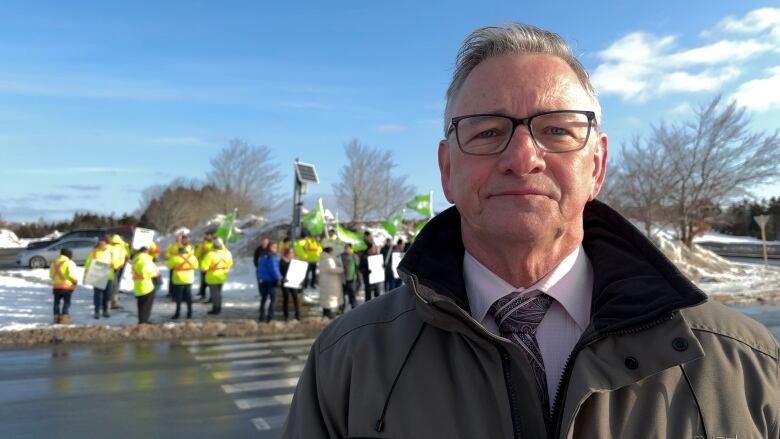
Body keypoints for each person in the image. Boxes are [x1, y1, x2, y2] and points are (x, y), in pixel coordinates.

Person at [283, 23, 779, 439]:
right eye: (487, 131)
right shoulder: (347, 361)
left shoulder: (744, 363)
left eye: (557, 129)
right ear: (446, 170)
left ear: (597, 165)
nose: (522, 158)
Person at [199, 238, 233, 315]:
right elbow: (230, 264)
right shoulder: (227, 253)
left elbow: (204, 267)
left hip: (212, 276)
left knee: (214, 294)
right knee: (218, 293)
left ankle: (216, 309)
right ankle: (218, 308)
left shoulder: (210, 254)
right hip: (222, 276)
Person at [84, 238, 115, 319]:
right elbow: (87, 263)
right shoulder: (94, 252)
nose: (102, 245)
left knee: (107, 295)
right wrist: (86, 273)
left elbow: (115, 262)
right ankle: (97, 312)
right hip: (97, 276)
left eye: (103, 244)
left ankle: (105, 310)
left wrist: (114, 265)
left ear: (106, 244)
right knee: (97, 295)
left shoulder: (110, 252)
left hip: (108, 276)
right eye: (100, 244)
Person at [166, 246, 198, 319]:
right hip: (189, 279)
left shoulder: (175, 258)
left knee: (178, 298)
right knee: (188, 297)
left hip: (178, 280)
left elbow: (169, 266)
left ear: (179, 252)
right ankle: (189, 313)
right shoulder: (192, 258)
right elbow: (196, 266)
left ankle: (177, 313)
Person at [132, 246, 160, 324]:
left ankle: (142, 320)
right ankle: (144, 321)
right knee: (147, 305)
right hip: (147, 286)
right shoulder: (145, 260)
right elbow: (149, 271)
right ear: (146, 252)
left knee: (141, 305)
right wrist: (155, 274)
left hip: (138, 285)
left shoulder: (136, 259)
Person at [49, 248, 78, 324]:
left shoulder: (54, 263)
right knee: (66, 303)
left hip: (56, 287)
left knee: (56, 303)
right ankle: (64, 319)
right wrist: (75, 282)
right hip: (67, 287)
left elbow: (51, 276)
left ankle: (56, 318)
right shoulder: (69, 263)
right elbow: (71, 275)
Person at [257, 242, 282, 323]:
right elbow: (273, 269)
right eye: (274, 247)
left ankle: (261, 316)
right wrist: (279, 278)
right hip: (271, 281)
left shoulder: (262, 256)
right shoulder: (271, 257)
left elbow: (259, 268)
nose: (276, 249)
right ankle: (269, 317)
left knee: (263, 299)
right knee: (273, 299)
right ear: (270, 247)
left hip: (263, 281)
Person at [317, 246, 342, 318]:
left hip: (325, 282)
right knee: (329, 299)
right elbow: (332, 269)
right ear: (330, 252)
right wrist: (341, 269)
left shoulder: (322, 258)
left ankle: (325, 312)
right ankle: (328, 314)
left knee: (325, 298)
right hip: (330, 282)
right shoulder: (328, 260)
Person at [278, 247, 301, 321]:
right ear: (287, 254)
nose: (292, 255)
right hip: (285, 282)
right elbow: (281, 271)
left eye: (292, 253)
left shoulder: (294, 261)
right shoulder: (282, 261)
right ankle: (286, 315)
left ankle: (298, 314)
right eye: (290, 253)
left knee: (295, 297)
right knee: (286, 298)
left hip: (293, 281)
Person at [108, 234, 129, 309]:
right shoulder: (122, 248)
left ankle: (110, 299)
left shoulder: (109, 247)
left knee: (109, 284)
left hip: (109, 267)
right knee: (115, 285)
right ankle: (114, 302)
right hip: (117, 268)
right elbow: (127, 256)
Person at [358, 232, 381, 301]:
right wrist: (367, 271)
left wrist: (382, 266)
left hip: (376, 281)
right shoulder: (364, 257)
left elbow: (380, 267)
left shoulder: (377, 256)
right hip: (368, 281)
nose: (374, 249)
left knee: (378, 297)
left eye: (375, 248)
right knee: (368, 298)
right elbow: (360, 268)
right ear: (369, 249)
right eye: (373, 248)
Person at [194, 231, 215, 301]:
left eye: (209, 235)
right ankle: (202, 294)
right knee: (203, 282)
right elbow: (197, 254)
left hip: (213, 266)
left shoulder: (215, 244)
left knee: (212, 283)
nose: (208, 237)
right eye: (207, 235)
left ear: (212, 236)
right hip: (204, 266)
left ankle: (212, 297)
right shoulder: (203, 245)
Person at [339, 243, 359, 312]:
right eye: (345, 248)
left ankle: (354, 309)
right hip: (342, 279)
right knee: (342, 295)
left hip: (351, 278)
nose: (345, 249)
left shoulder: (354, 256)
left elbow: (357, 266)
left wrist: (357, 277)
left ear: (350, 248)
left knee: (352, 295)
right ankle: (342, 309)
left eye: (347, 248)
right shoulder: (341, 256)